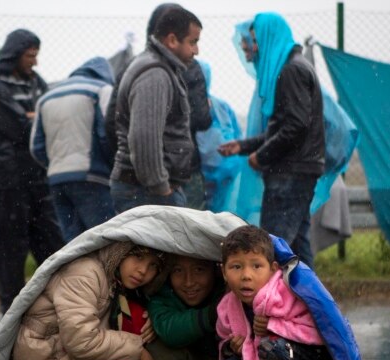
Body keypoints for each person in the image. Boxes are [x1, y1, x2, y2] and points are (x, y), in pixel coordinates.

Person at [12, 242, 168, 360]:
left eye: (153, 265)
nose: (143, 270)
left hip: (65, 350)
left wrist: (152, 316)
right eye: (138, 257)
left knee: (137, 318)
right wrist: (138, 350)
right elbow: (81, 341)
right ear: (121, 251)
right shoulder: (84, 273)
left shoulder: (112, 275)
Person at [218, 13, 325, 269]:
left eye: (255, 40)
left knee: (273, 250)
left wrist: (261, 156)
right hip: (298, 170)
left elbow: (296, 127)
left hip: (291, 173)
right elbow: (284, 126)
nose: (252, 47)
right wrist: (244, 146)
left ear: (268, 38)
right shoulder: (293, 66)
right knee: (296, 249)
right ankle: (310, 305)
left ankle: (274, 306)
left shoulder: (291, 70)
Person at [216, 225, 331, 360]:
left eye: (257, 266)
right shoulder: (227, 306)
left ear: (273, 269)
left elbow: (319, 334)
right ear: (223, 271)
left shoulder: (287, 294)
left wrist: (275, 325)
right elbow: (223, 339)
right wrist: (233, 348)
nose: (246, 276)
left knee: (272, 346)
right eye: (236, 267)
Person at [0, 29, 64, 314]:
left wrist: (32, 116)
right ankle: (10, 313)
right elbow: (22, 128)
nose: (35, 63)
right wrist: (32, 117)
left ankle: (61, 305)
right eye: (30, 56)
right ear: (15, 55)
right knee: (9, 246)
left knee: (50, 242)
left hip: (38, 174)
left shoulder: (35, 82)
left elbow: (48, 117)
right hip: (8, 177)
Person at [104, 3, 211, 212]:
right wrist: (160, 187)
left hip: (147, 189)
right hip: (146, 192)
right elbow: (144, 138)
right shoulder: (155, 74)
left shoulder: (161, 69)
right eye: (193, 42)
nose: (196, 50)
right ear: (172, 40)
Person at [30, 56, 115, 243]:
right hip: (93, 177)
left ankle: (76, 273)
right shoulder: (102, 90)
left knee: (73, 245)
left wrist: (56, 164)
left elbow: (36, 147)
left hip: (57, 179)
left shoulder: (46, 97)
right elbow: (108, 135)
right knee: (104, 241)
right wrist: (111, 167)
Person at [145, 255, 225, 360]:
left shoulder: (229, 289)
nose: (188, 282)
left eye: (199, 270)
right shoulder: (163, 293)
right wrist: (214, 313)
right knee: (156, 344)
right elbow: (170, 331)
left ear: (217, 270)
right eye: (178, 270)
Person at [195, 61, 243, 212]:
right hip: (203, 178)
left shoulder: (221, 107)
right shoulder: (187, 108)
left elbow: (238, 139)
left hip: (221, 179)